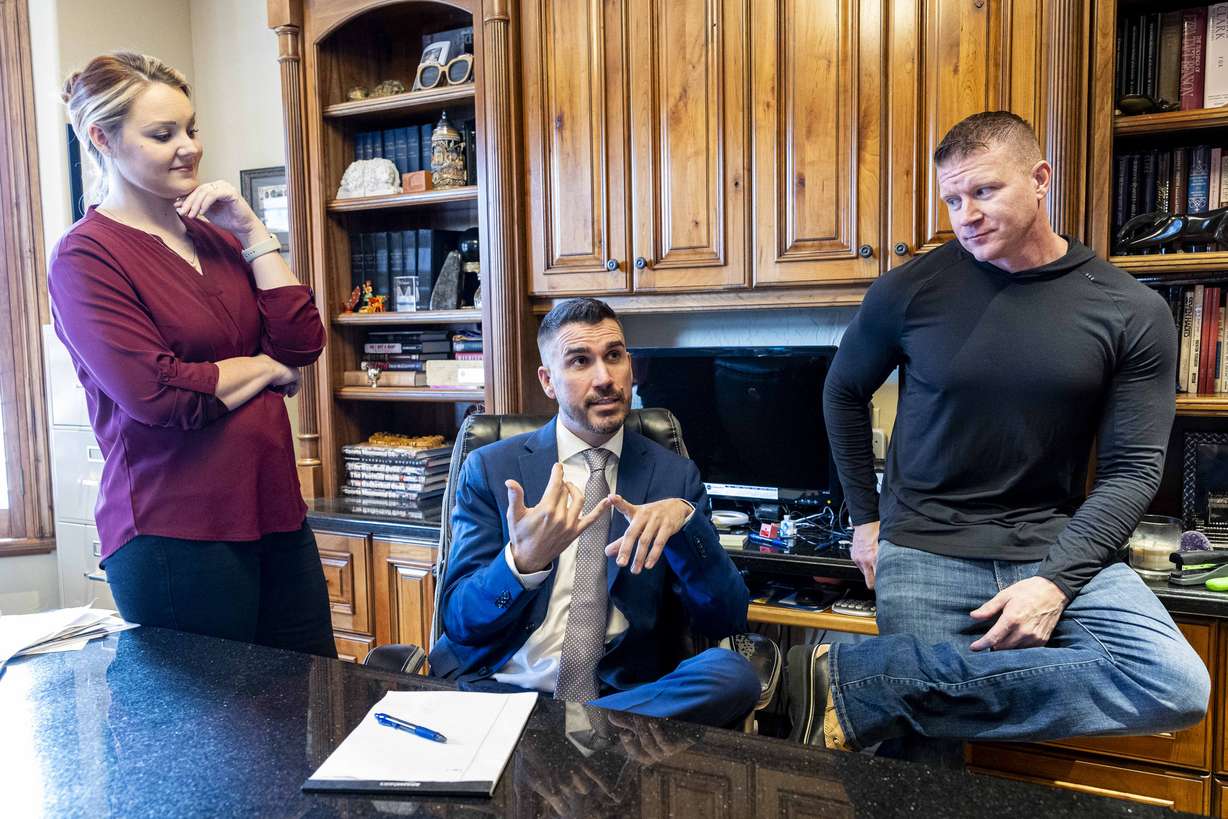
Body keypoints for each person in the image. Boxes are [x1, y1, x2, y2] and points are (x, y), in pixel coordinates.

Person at [789, 111, 1210, 757]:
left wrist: (1056, 582)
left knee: (1172, 681)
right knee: (916, 769)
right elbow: (843, 390)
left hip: (1052, 541)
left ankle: (865, 681)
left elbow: (1132, 470)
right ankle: (890, 697)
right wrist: (864, 520)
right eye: (953, 198)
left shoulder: (1130, 309)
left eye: (984, 191)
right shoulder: (908, 291)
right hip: (925, 545)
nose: (966, 214)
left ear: (1040, 179)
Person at [49, 52, 335, 657]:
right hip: (174, 532)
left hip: (276, 515)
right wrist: (263, 368)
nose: (189, 147)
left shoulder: (218, 237)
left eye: (191, 128)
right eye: (162, 134)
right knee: (212, 744)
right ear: (102, 138)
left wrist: (253, 232)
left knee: (311, 722)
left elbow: (301, 342)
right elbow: (161, 395)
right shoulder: (86, 257)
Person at [428, 298, 759, 726]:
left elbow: (726, 618)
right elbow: (459, 622)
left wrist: (686, 523)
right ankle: (584, 731)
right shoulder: (494, 468)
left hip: (621, 695)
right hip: (503, 689)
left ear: (631, 367)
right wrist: (522, 563)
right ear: (548, 381)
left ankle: (575, 727)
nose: (605, 378)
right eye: (580, 361)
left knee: (733, 674)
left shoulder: (674, 477)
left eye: (614, 356)